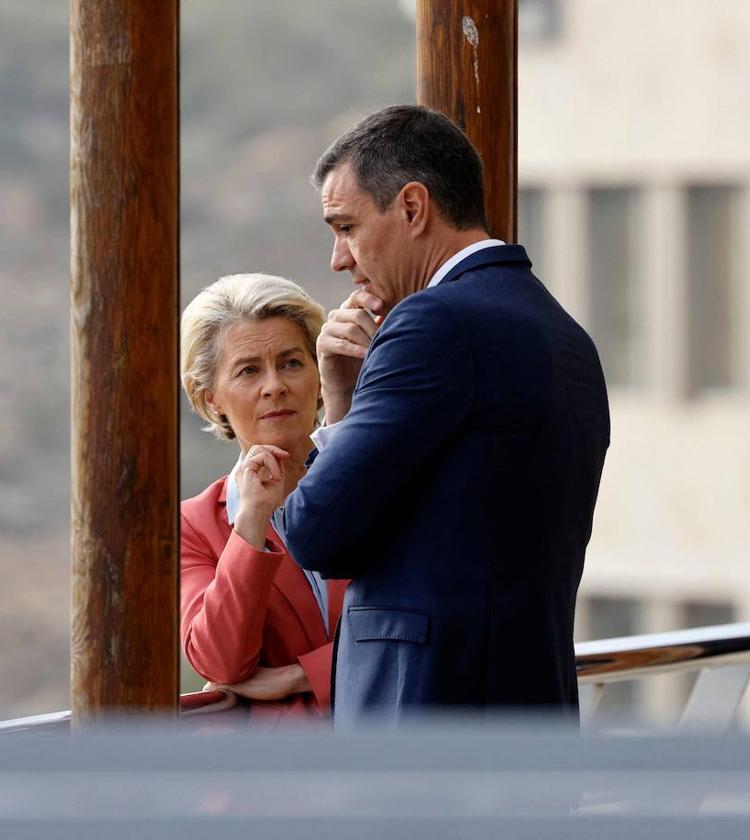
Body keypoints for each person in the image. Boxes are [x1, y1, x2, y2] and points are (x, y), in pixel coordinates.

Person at [251, 105, 610, 725]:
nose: (340, 258)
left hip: (425, 732)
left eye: (346, 226)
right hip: (532, 720)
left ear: (413, 208)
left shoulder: (432, 323)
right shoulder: (565, 333)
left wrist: (337, 406)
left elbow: (317, 533)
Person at [179, 273, 346, 726]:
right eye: (249, 370)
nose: (274, 386)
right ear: (211, 399)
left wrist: (297, 676)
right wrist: (250, 520)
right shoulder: (192, 525)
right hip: (276, 783)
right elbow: (221, 662)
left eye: (292, 363)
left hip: (404, 756)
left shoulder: (376, 482)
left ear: (317, 374)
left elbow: (428, 628)